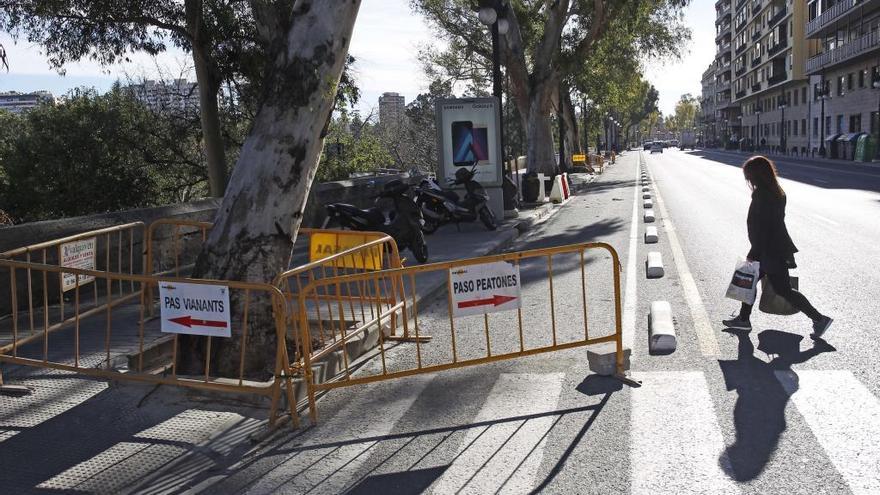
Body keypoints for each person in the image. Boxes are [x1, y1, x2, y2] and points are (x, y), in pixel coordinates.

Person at [723, 156, 833, 339]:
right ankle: (743, 319)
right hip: (774, 248)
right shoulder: (776, 192)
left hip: (768, 250)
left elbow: (765, 227)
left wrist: (754, 251)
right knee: (764, 285)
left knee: (774, 288)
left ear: (757, 175)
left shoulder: (763, 195)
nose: (747, 180)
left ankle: (819, 319)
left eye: (748, 175)